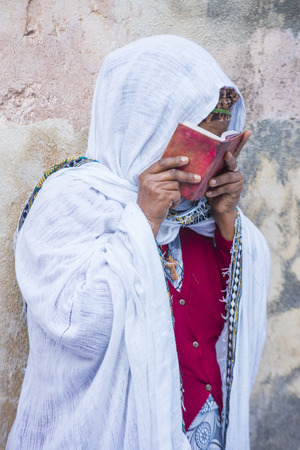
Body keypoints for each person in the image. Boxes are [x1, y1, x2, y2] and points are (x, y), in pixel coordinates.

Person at [7, 35, 270, 449]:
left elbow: (223, 324)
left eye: (221, 147)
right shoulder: (70, 203)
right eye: (197, 145)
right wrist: (144, 220)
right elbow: (80, 327)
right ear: (148, 126)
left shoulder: (197, 218)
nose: (206, 168)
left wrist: (225, 222)